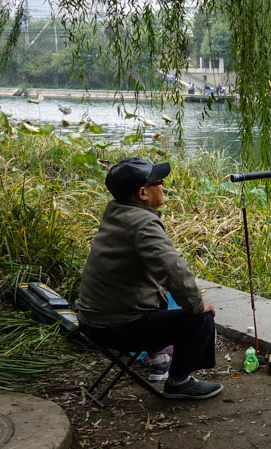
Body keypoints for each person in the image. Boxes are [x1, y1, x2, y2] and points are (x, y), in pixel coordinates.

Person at [75, 157, 223, 400]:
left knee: (168, 302)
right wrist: (197, 305)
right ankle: (179, 382)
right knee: (201, 320)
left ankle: (159, 357)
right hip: (114, 328)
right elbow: (174, 270)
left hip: (90, 321)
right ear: (143, 193)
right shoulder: (143, 223)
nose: (162, 185)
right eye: (158, 181)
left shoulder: (117, 212)